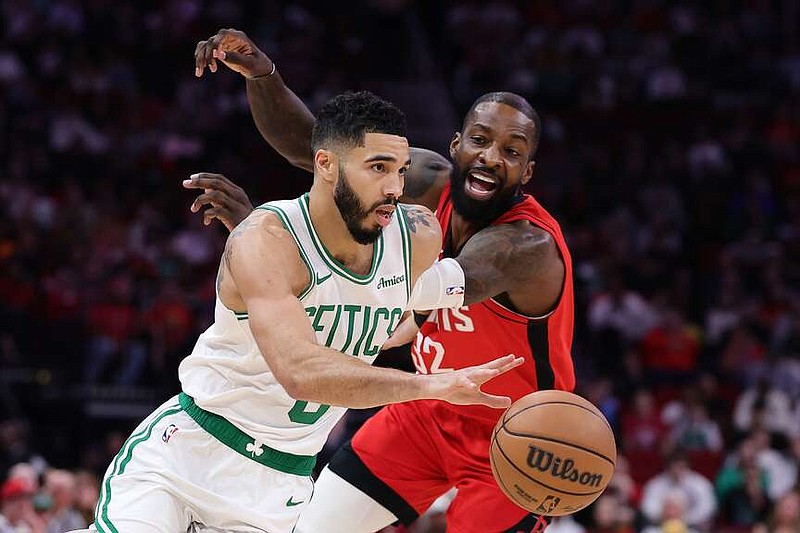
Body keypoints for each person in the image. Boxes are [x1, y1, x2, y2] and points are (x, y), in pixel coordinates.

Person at [191, 28, 576, 532]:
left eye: (511, 151)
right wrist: (264, 76)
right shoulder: (425, 180)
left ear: (527, 172)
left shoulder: (527, 246)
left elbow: (416, 286)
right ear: (457, 145)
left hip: (516, 432)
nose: (490, 157)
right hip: (429, 407)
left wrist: (263, 241)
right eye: (480, 141)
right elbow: (319, 156)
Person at [91, 90, 522, 533]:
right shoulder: (265, 238)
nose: (395, 187)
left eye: (400, 171)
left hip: (282, 486)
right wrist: (431, 385)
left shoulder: (417, 236)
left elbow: (387, 322)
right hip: (188, 457)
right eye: (378, 168)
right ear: (325, 165)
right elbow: (300, 370)